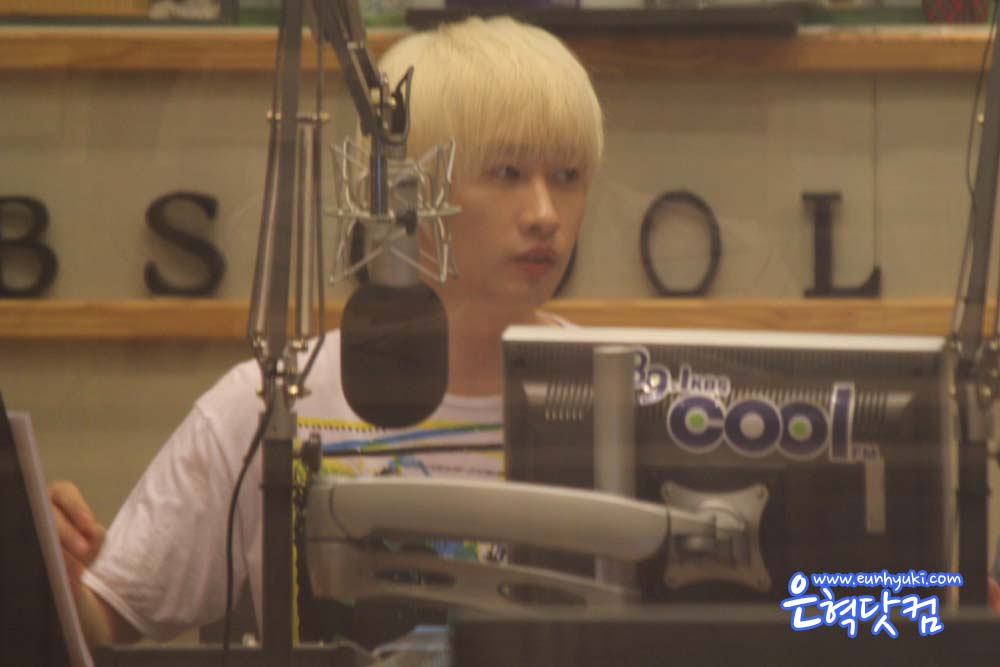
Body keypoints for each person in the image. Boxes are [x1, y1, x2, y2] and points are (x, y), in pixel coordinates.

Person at [48, 15, 605, 650]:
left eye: (567, 177)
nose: (544, 214)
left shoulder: (627, 394)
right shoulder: (271, 397)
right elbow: (107, 619)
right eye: (507, 173)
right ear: (404, 194)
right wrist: (41, 554)